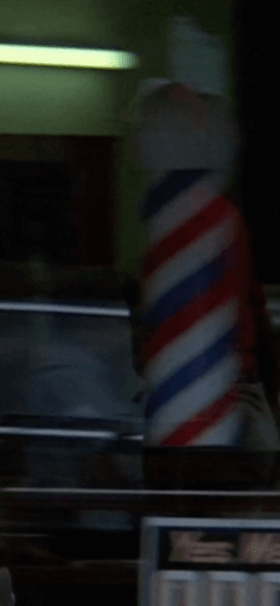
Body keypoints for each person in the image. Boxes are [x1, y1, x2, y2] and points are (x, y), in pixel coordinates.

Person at [130, 80, 280, 484]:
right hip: (226, 388)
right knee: (262, 476)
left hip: (206, 390)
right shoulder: (213, 220)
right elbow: (256, 319)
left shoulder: (170, 221)